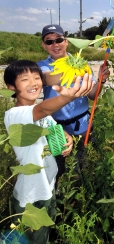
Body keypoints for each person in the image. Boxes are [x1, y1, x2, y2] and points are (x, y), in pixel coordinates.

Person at [4, 60, 94, 244]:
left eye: (37, 78)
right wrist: (68, 96)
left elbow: (53, 128)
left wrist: (67, 139)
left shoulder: (45, 115)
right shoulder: (15, 114)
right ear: (11, 86)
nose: (33, 83)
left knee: (44, 236)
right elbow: (42, 109)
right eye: (25, 79)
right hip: (30, 195)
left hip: (48, 188)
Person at [37, 24, 110, 181]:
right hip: (56, 127)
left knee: (84, 164)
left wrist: (101, 82)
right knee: (58, 168)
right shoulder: (41, 66)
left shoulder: (82, 64)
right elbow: (48, 78)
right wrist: (73, 70)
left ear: (66, 41)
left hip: (83, 124)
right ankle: (62, 202)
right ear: (44, 45)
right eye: (49, 42)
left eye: (59, 40)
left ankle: (82, 199)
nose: (55, 44)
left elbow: (92, 94)